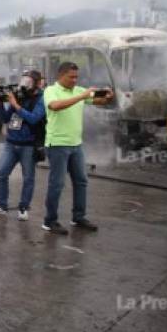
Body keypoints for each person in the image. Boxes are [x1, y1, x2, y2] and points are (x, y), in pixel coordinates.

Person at [41, 61, 114, 234]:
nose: (75, 80)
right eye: (71, 77)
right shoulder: (51, 91)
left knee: (81, 181)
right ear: (61, 75)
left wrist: (107, 98)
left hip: (76, 144)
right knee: (57, 184)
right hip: (57, 144)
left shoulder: (79, 90)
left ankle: (78, 217)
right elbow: (55, 106)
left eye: (76, 77)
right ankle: (49, 221)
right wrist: (82, 96)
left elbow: (98, 101)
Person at [0, 71, 46, 221]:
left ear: (37, 83)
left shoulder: (41, 98)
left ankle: (24, 208)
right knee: (1, 174)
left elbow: (33, 119)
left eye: (28, 81)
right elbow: (6, 118)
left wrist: (15, 105)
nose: (24, 84)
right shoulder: (18, 95)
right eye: (23, 81)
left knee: (28, 178)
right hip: (11, 143)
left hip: (29, 145)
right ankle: (1, 206)